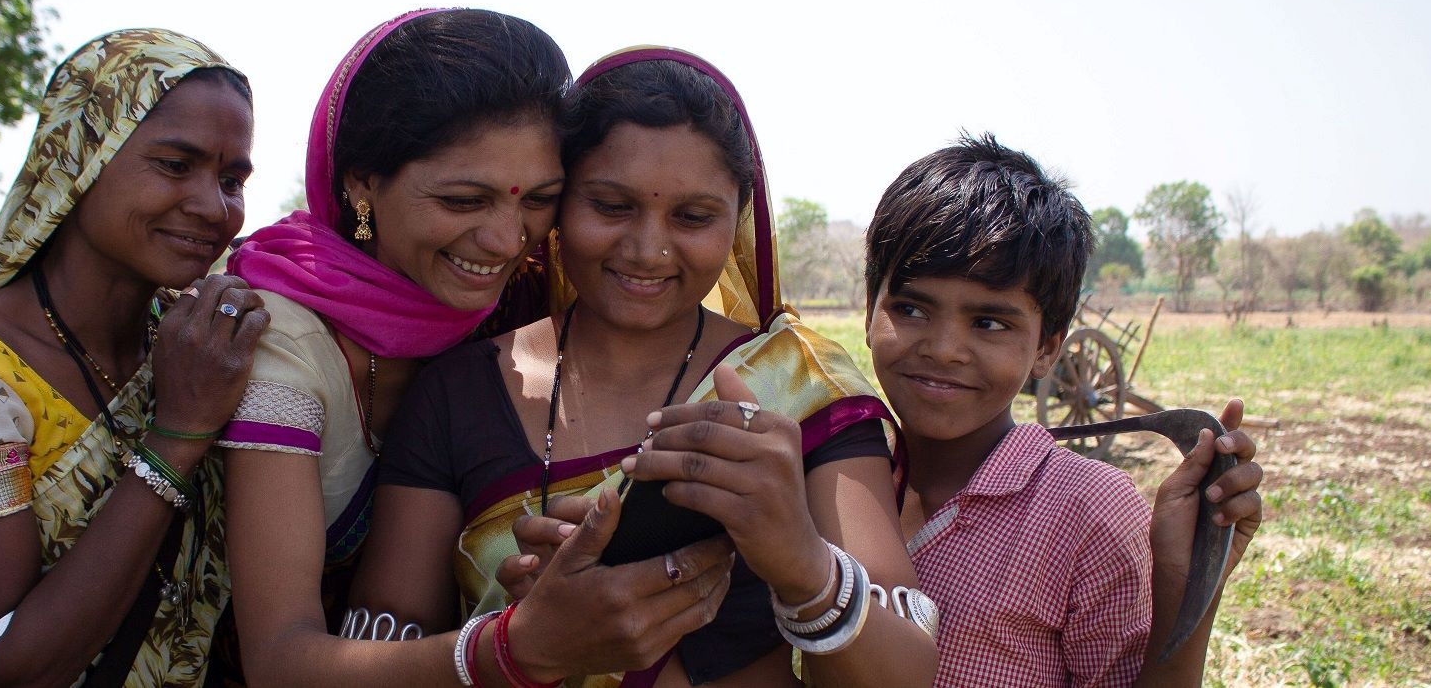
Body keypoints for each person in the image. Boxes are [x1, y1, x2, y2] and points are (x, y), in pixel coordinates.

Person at [359, 47, 941, 687]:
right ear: (556, 208)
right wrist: (521, 639)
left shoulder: (797, 383)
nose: (648, 249)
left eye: (693, 217)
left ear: (736, 221)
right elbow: (383, 637)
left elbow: (904, 672)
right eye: (610, 206)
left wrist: (804, 564)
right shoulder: (458, 390)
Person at [219, 10, 733, 687]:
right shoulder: (280, 340)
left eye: (539, 200)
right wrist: (513, 647)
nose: (504, 240)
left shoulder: (507, 317)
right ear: (361, 183)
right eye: (465, 199)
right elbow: (279, 661)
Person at [0, 30, 266, 687]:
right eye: (174, 164)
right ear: (81, 158)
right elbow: (13, 663)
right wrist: (177, 438)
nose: (213, 207)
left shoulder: (184, 340)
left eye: (232, 178)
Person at [860, 134, 1266, 686]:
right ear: (868, 313)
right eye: (910, 308)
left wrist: (1184, 580)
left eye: (989, 323)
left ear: (1049, 346)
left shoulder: (1086, 511)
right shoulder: (844, 478)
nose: (944, 348)